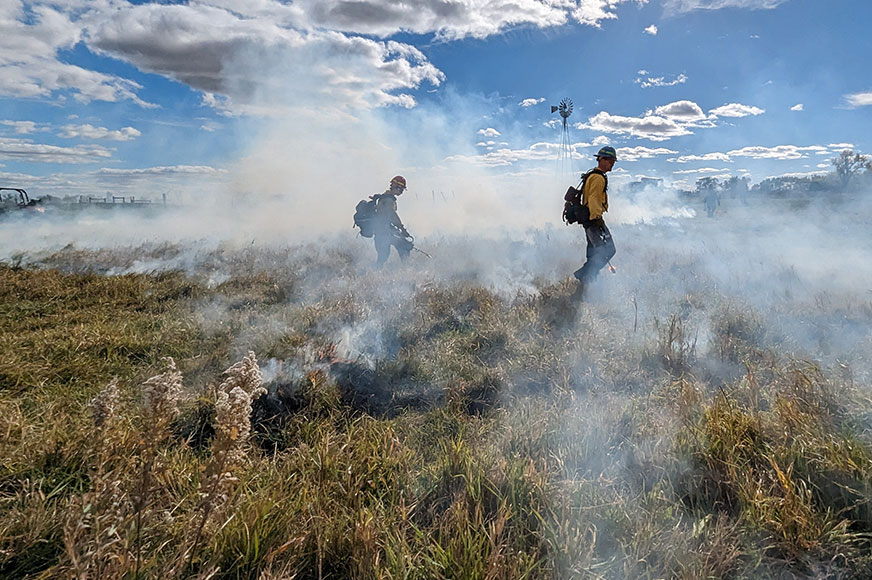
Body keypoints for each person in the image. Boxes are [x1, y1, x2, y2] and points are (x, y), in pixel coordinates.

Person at [573, 146, 617, 290]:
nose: (611, 165)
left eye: (613, 162)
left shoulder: (592, 175)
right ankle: (585, 274)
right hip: (593, 220)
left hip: (588, 221)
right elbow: (593, 199)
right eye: (610, 161)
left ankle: (589, 282)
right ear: (601, 159)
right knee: (608, 250)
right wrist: (597, 219)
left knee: (593, 251)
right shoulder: (598, 178)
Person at [371, 175, 413, 267]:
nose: (401, 192)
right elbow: (392, 215)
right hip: (384, 232)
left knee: (385, 256)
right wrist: (402, 229)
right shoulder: (388, 199)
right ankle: (406, 270)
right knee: (384, 257)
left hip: (384, 231)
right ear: (396, 187)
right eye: (401, 189)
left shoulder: (386, 197)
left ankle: (405, 269)